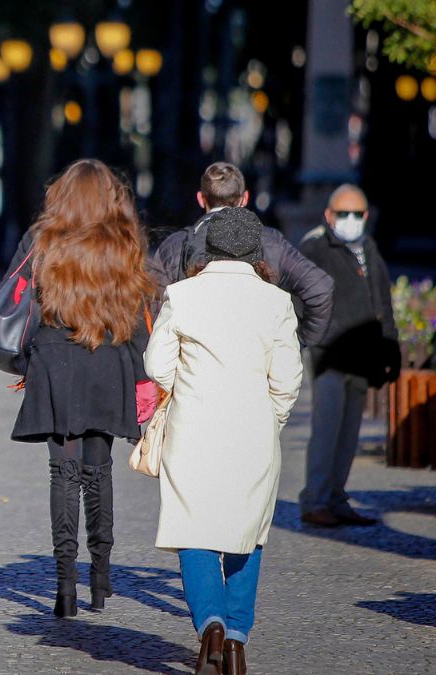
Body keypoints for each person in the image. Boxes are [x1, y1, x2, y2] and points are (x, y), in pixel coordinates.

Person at [144, 206, 303, 675]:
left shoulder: (181, 294)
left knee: (194, 533)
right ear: (257, 252)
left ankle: (209, 624)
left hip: (192, 430)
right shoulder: (276, 302)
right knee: (247, 536)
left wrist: (183, 388)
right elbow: (288, 379)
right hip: (253, 434)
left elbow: (156, 366)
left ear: (207, 249)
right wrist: (270, 420)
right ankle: (235, 638)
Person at [6, 159, 158, 618]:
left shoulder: (42, 241)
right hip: (108, 362)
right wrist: (141, 378)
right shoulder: (125, 244)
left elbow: (17, 303)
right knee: (99, 469)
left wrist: (27, 361)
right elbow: (136, 318)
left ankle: (64, 585)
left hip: (55, 362)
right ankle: (101, 578)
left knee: (63, 473)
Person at [297, 184, 400, 528]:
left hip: (362, 356)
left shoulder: (368, 247)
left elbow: (381, 300)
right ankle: (315, 500)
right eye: (344, 214)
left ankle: (336, 498)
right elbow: (300, 299)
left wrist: (390, 346)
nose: (351, 220)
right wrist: (314, 338)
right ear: (329, 215)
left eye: (358, 214)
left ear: (366, 216)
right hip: (329, 356)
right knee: (326, 431)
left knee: (349, 434)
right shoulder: (315, 247)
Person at [152, 162, 333, 347]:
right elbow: (320, 288)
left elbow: (155, 310)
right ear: (245, 198)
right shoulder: (270, 241)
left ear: (200, 198)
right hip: (258, 362)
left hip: (194, 365)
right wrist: (297, 343)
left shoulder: (174, 246)